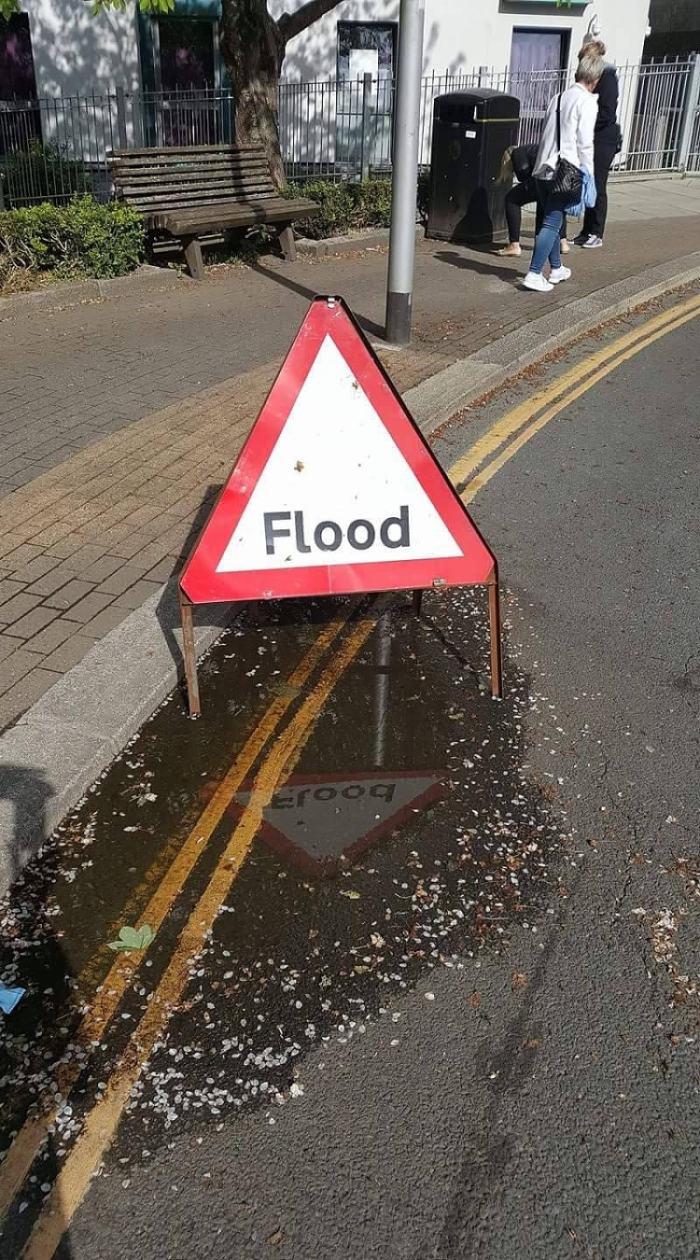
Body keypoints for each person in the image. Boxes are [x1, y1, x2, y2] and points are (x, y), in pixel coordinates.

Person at [522, 49, 603, 293]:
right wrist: (589, 174)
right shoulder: (587, 102)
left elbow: (547, 133)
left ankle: (556, 269)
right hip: (565, 170)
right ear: (595, 79)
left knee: (553, 220)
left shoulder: (557, 98)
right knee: (552, 221)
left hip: (545, 168)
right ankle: (534, 273)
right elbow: (585, 142)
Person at [575, 38, 620, 248]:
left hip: (604, 140)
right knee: (589, 181)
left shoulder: (608, 79)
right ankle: (586, 230)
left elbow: (607, 113)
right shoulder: (592, 79)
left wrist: (586, 124)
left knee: (598, 185)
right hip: (593, 138)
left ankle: (597, 232)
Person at [496, 143, 569, 257]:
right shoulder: (534, 148)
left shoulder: (517, 152)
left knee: (511, 199)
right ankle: (562, 242)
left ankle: (514, 245)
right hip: (560, 179)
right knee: (551, 206)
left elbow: (523, 171)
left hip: (542, 180)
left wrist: (521, 176)